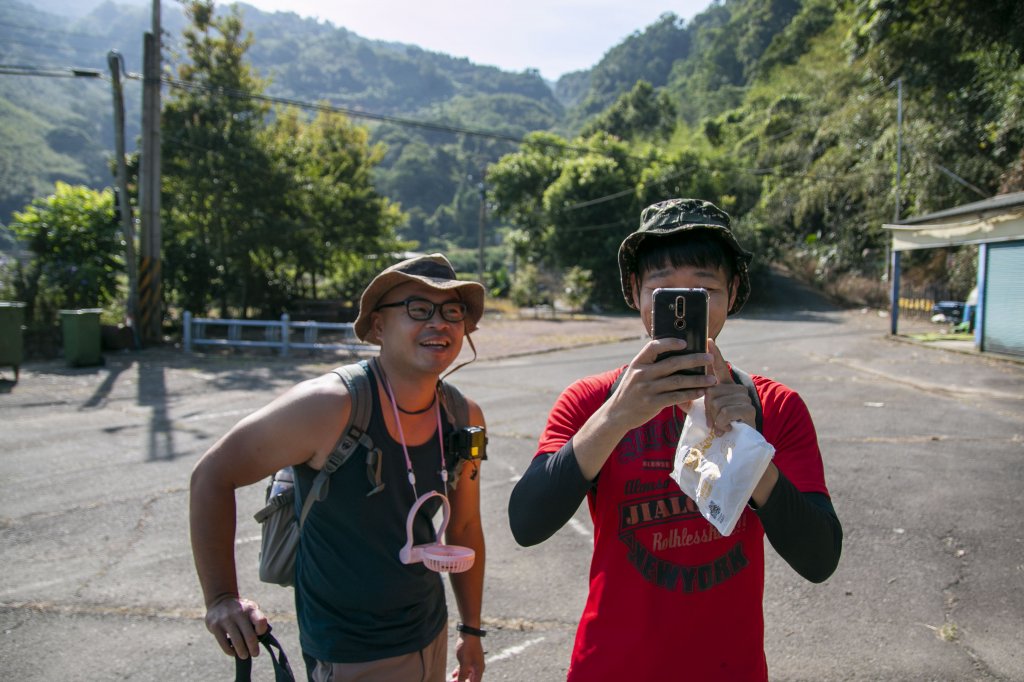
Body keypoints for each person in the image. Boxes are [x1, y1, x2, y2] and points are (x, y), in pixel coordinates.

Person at [508, 199, 843, 681]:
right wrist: (617, 417)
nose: (685, 303)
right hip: (609, 668)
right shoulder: (591, 401)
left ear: (733, 293)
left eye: (704, 289)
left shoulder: (775, 407)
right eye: (664, 290)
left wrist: (748, 450)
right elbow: (527, 522)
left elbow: (819, 558)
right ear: (635, 293)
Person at [190, 253, 488, 682]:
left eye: (452, 311)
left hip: (430, 631)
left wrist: (471, 630)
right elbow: (212, 475)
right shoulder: (329, 406)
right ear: (379, 326)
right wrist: (220, 597)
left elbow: (464, 528)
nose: (438, 322)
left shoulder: (462, 415)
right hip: (349, 652)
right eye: (417, 309)